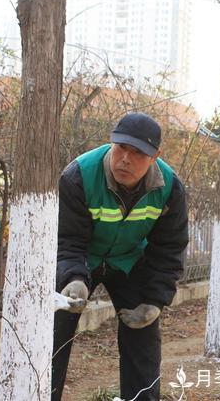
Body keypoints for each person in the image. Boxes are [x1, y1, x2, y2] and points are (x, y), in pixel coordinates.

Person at [52, 112, 189, 400]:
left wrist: (154, 301)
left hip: (129, 262)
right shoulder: (78, 175)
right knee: (55, 329)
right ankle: (41, 393)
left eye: (137, 153)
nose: (125, 159)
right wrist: (73, 278)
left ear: (155, 156)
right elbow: (67, 239)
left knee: (144, 332)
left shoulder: (169, 188)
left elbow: (168, 249)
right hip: (81, 260)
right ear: (111, 143)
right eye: (121, 148)